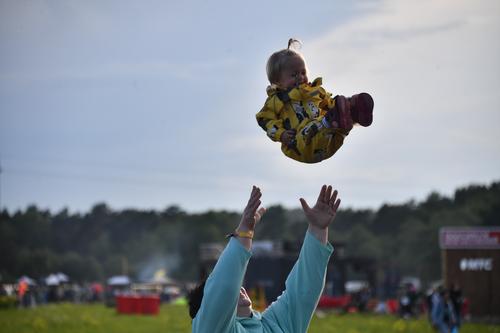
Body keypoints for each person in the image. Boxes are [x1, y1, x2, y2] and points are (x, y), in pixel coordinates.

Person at [189, 184, 341, 333]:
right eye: (211, 293)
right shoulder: (209, 328)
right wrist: (244, 232)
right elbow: (224, 287)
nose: (240, 288)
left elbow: (303, 292)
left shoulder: (275, 324)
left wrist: (318, 229)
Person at [256, 39, 374, 163]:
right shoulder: (276, 100)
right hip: (300, 145)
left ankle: (353, 115)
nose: (300, 77)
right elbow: (265, 120)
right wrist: (281, 134)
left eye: (303, 72)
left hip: (327, 144)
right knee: (317, 124)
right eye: (294, 75)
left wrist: (343, 104)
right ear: (278, 81)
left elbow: (330, 103)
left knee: (337, 115)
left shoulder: (315, 91)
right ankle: (331, 120)